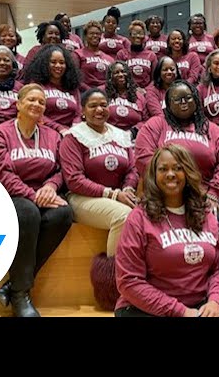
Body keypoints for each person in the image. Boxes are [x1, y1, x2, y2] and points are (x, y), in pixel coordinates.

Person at [0, 83, 73, 317]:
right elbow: (1, 173)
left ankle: (13, 285)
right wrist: (32, 194)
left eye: (41, 102)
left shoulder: (52, 136)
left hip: (43, 194)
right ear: (18, 104)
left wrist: (51, 186)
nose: (37, 104)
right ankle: (21, 295)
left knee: (64, 214)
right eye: (31, 100)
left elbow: (62, 169)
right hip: (10, 195)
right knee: (28, 212)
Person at [115, 144, 219, 317]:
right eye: (163, 169)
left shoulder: (207, 216)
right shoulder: (138, 218)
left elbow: (217, 269)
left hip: (201, 304)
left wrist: (214, 301)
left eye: (178, 168)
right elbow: (129, 282)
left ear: (188, 173)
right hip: (147, 308)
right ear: (154, 175)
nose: (170, 174)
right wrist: (181, 312)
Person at [60, 88, 138, 310]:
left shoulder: (120, 135)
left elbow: (132, 169)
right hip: (81, 198)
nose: (99, 109)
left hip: (119, 195)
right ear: (83, 111)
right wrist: (113, 194)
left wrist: (128, 188)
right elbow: (74, 180)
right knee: (123, 216)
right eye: (93, 105)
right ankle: (114, 288)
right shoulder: (74, 137)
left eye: (103, 105)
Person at [135, 80, 219, 225]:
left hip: (205, 196)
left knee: (217, 222)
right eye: (177, 99)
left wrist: (213, 194)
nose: (184, 102)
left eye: (188, 97)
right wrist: (179, 188)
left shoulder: (211, 129)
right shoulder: (156, 124)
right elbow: (144, 159)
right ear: (168, 103)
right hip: (165, 194)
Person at [22, 43, 82, 135]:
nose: (58, 66)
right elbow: (36, 113)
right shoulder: (36, 86)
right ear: (45, 64)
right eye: (53, 62)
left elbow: (78, 113)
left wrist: (75, 128)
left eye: (62, 63)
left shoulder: (73, 87)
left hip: (71, 133)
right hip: (44, 131)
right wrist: (60, 129)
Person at [104, 61, 147, 138]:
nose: (120, 75)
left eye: (123, 72)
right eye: (116, 72)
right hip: (107, 135)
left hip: (133, 137)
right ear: (110, 77)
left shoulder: (139, 96)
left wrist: (133, 131)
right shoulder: (102, 94)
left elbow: (146, 120)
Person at [72, 20, 115, 91]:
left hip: (105, 93)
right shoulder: (77, 54)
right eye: (91, 33)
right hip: (84, 93)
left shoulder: (110, 59)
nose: (95, 36)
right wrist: (90, 91)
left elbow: (112, 80)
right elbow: (74, 77)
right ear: (85, 36)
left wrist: (101, 89)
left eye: (97, 34)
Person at [116, 20, 158, 89]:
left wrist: (146, 90)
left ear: (145, 37)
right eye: (134, 33)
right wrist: (134, 89)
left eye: (140, 33)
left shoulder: (151, 55)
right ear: (129, 36)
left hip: (147, 92)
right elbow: (118, 77)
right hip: (127, 91)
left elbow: (155, 79)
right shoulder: (121, 54)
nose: (138, 36)